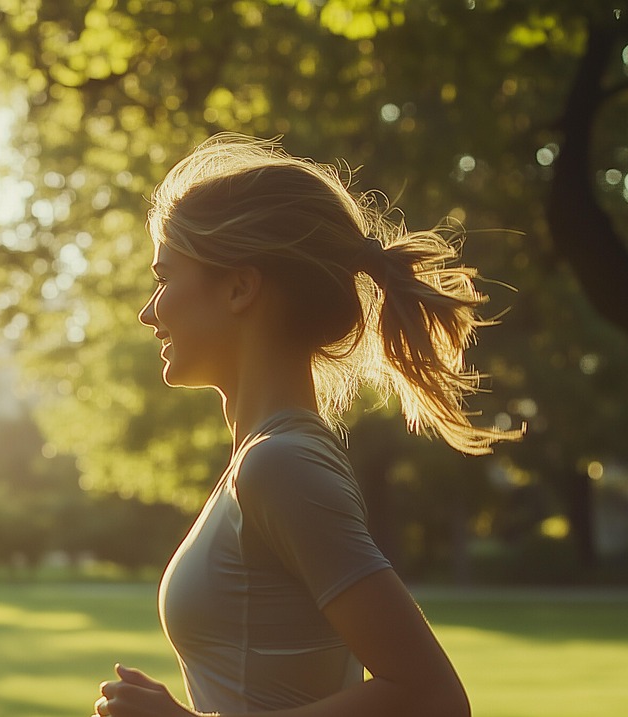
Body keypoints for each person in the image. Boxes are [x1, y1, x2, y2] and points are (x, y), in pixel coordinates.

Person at [90, 134, 521, 717]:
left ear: (241, 287)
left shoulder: (281, 464)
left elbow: (432, 699)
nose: (150, 311)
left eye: (165, 278)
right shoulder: (264, 459)